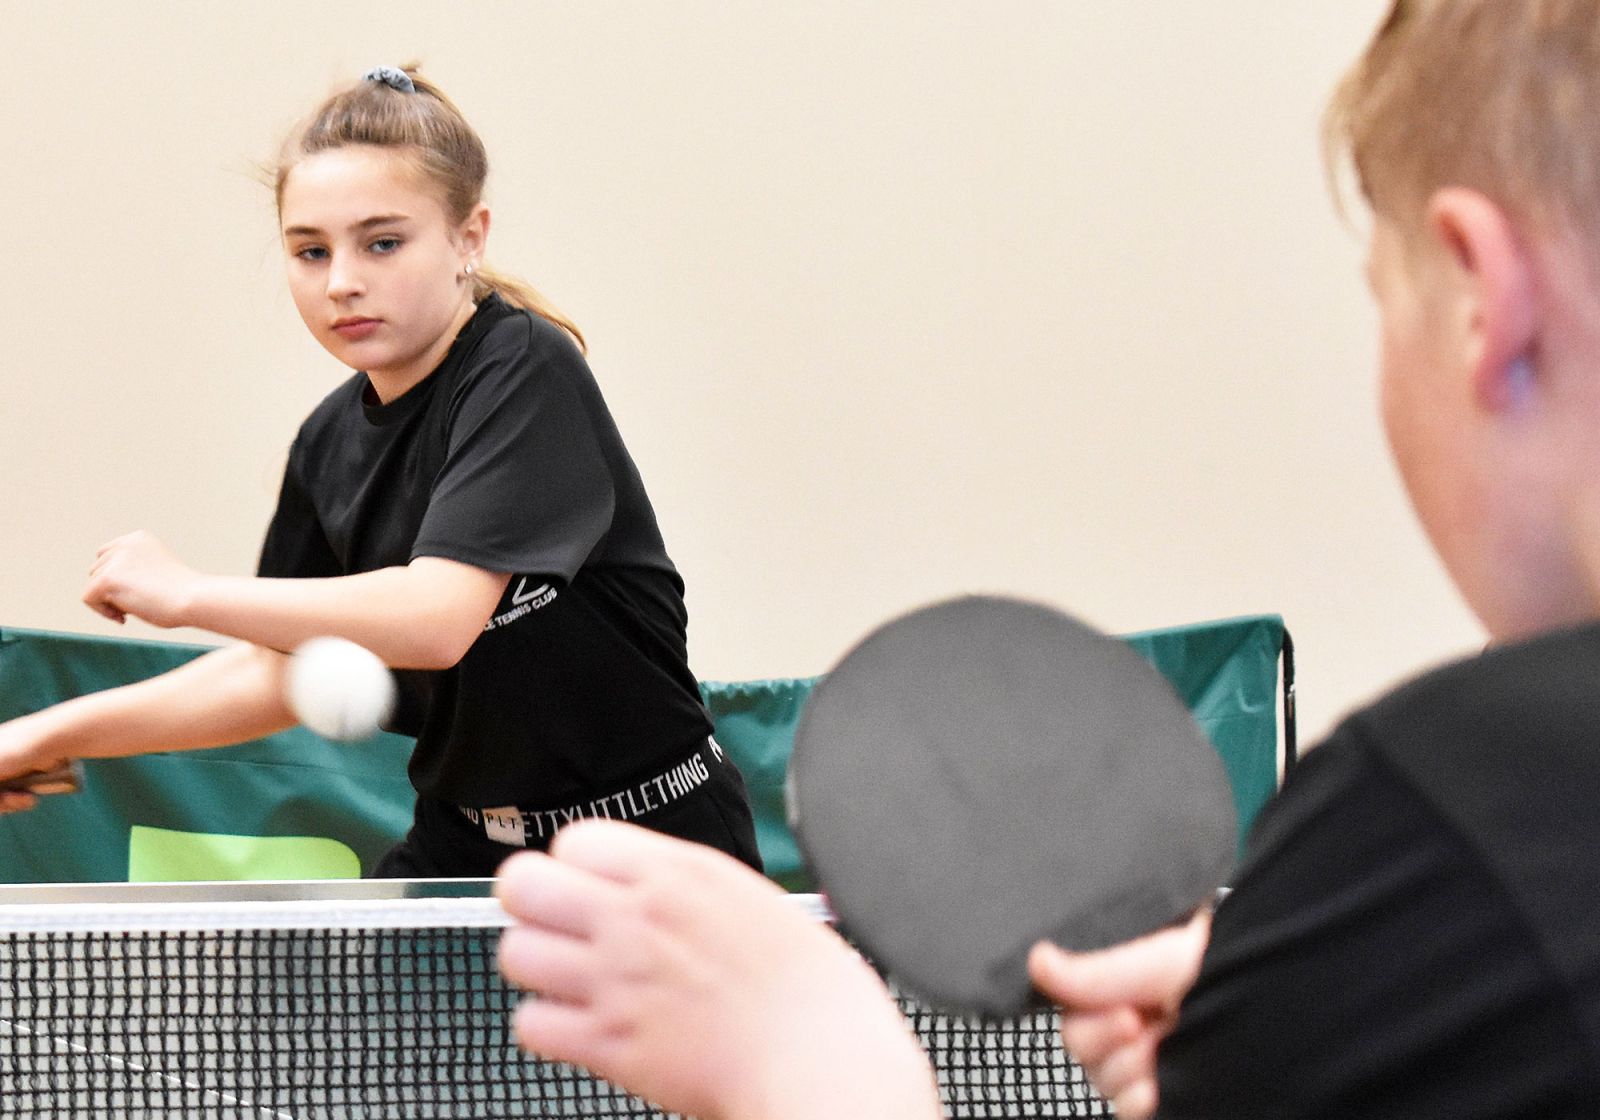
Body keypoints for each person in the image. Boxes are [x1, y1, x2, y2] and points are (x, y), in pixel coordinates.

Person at [494, 2, 1600, 1115]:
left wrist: (813, 1064)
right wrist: (1303, 1041)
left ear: (1479, 296)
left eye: (1385, 297)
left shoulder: (1460, 814)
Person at [0, 66, 762, 879]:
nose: (341, 282)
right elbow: (274, 674)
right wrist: (39, 735)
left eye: (383, 242)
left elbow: (437, 618)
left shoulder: (525, 366)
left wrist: (187, 594)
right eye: (309, 251)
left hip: (654, 842)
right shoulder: (326, 441)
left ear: (470, 237)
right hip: (467, 849)